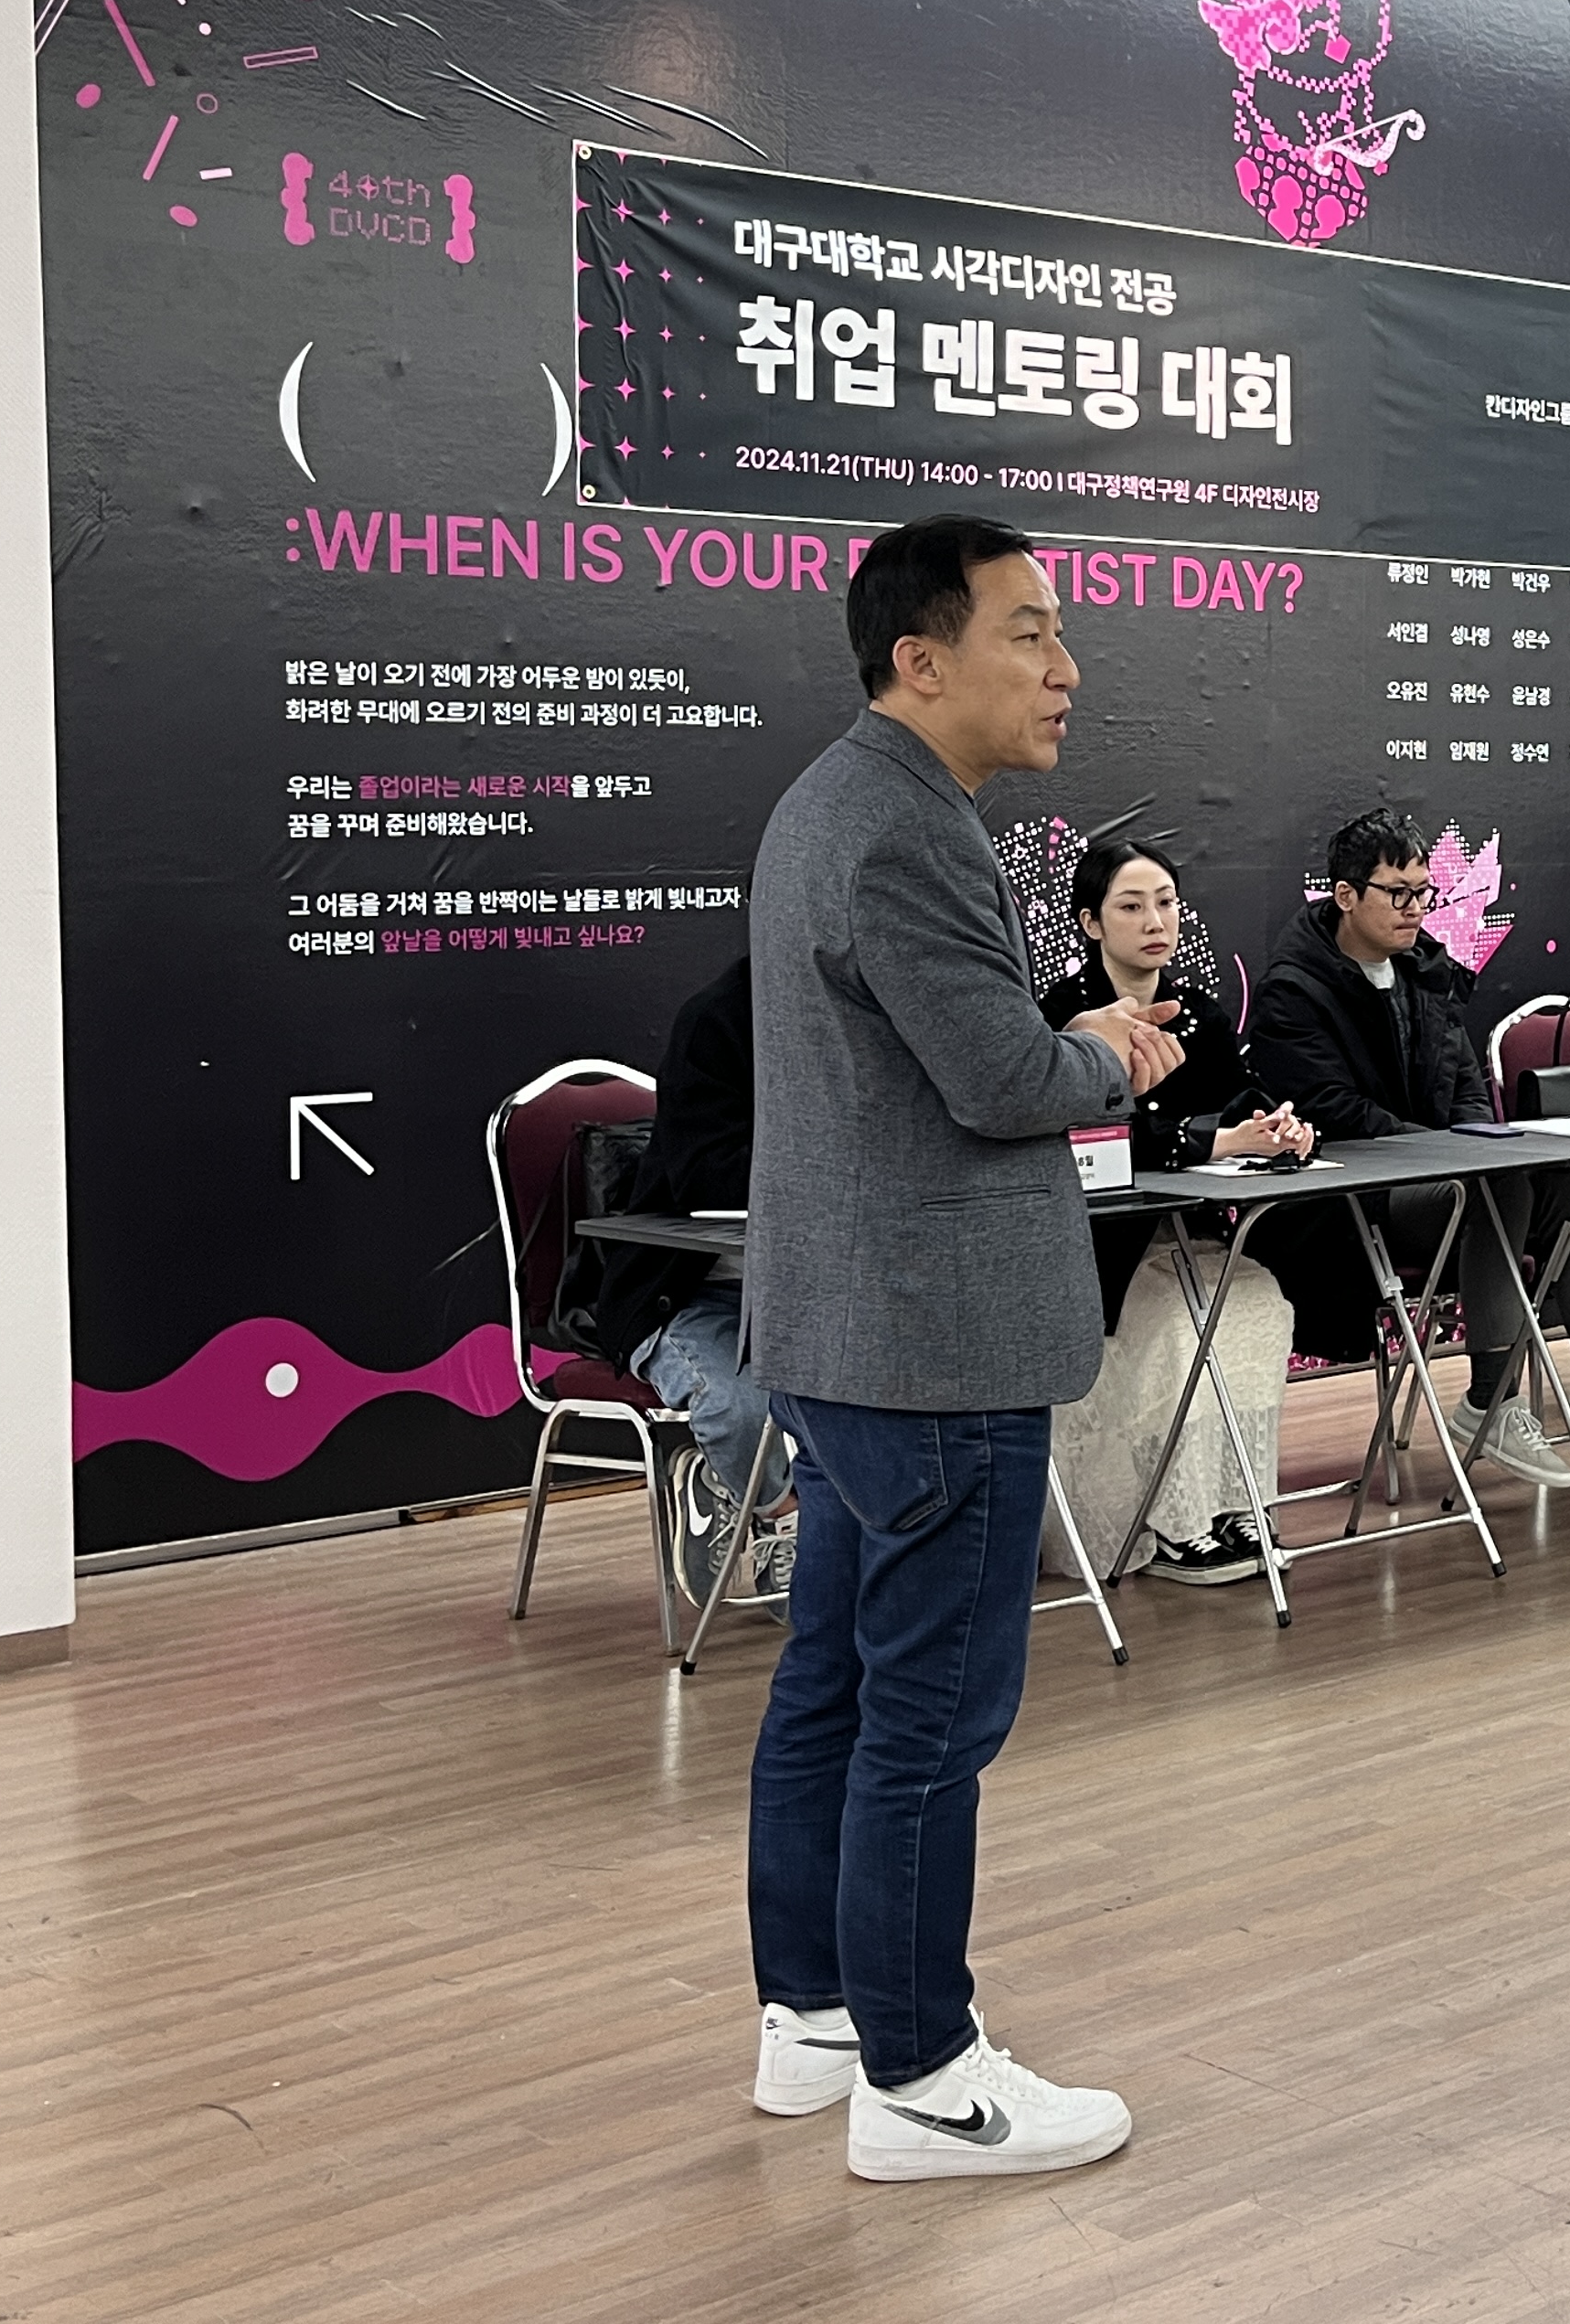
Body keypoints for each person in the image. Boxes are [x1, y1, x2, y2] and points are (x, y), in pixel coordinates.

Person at [742, 512, 1180, 2183]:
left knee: (840, 1681)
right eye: (1030, 632)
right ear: (922, 658)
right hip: (930, 1341)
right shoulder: (905, 832)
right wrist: (1108, 1053)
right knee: (929, 1711)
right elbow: (998, 1081)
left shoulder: (837, 802)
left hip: (855, 1327)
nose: (1066, 667)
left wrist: (1059, 1037)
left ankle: (817, 2017)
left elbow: (941, 1055)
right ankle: (924, 2077)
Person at [1244, 808, 1570, 1487]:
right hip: (1351, 1203)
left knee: (1557, 1175)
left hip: (1449, 1182)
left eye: (1424, 893)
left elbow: (1465, 1083)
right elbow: (1333, 1113)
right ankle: (1489, 1399)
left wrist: (1478, 1142)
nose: (1416, 909)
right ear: (1346, 895)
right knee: (1497, 1184)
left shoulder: (1425, 971)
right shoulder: (1292, 992)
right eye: (1398, 893)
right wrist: (1455, 1156)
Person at [1035, 837, 1316, 1587]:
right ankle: (1175, 1518)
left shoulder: (1199, 1013)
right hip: (1097, 1248)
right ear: (1091, 923)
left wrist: (1282, 1128)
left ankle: (1237, 1500)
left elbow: (1245, 1097)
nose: (1155, 920)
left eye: (1165, 903)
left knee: (1256, 1305)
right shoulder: (1060, 1017)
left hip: (1188, 1237)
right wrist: (1212, 1141)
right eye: (1131, 906)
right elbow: (1089, 1138)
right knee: (1180, 1325)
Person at [583, 955, 792, 1617]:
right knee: (739, 1407)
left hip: (805, 1289)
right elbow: (708, 1175)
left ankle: (734, 1480)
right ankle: (780, 1512)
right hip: (687, 1291)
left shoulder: (872, 1005)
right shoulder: (717, 1020)